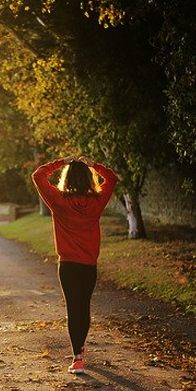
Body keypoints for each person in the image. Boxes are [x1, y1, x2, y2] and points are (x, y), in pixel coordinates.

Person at [32, 155, 118, 374]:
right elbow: (112, 178)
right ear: (89, 179)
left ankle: (77, 357)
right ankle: (80, 348)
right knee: (84, 306)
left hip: (68, 265)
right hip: (89, 265)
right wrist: (94, 164)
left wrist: (62, 161)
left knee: (73, 308)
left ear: (66, 179)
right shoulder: (97, 201)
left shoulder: (58, 200)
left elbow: (38, 175)